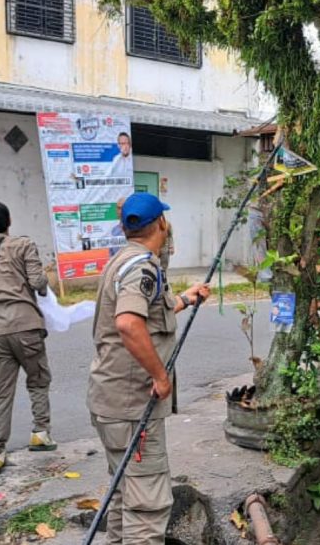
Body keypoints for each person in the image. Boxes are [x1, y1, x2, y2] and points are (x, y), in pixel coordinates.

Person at [87, 193, 209, 544]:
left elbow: (150, 309)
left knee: (125, 492)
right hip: (130, 407)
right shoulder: (143, 265)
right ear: (161, 224)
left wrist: (185, 299)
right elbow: (128, 322)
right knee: (147, 506)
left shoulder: (122, 260)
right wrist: (160, 375)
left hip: (109, 402)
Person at [0, 199, 56, 474]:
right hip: (26, 326)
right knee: (38, 380)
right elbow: (37, 282)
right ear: (8, 221)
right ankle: (40, 434)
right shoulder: (23, 245)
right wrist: (44, 289)